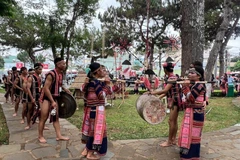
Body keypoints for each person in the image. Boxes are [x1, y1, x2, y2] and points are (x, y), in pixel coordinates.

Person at [81, 62, 112, 160]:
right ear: (97, 72)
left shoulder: (92, 82)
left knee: (91, 130)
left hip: (92, 110)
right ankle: (90, 153)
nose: (104, 71)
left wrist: (107, 84)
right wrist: (107, 85)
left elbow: (83, 90)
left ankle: (86, 150)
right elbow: (102, 95)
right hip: (96, 110)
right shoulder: (95, 83)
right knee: (95, 132)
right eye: (102, 69)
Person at [148, 61, 183, 147]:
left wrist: (153, 93)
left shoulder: (171, 78)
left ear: (165, 70)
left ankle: (169, 141)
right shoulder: (173, 77)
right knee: (174, 121)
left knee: (171, 121)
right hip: (175, 101)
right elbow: (167, 92)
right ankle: (173, 139)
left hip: (174, 102)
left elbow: (165, 90)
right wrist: (158, 97)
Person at [38, 57, 71, 143]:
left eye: (65, 63)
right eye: (63, 64)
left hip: (54, 98)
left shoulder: (60, 74)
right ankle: (40, 136)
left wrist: (65, 89)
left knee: (55, 118)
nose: (65, 65)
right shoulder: (51, 74)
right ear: (58, 64)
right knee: (43, 117)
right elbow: (46, 88)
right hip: (46, 98)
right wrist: (52, 101)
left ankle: (59, 135)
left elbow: (58, 84)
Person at [178, 66, 206, 159]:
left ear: (198, 76)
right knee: (187, 133)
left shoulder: (199, 85)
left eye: (192, 73)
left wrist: (185, 87)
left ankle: (192, 156)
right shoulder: (193, 85)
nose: (189, 74)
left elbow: (191, 98)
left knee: (194, 135)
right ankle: (185, 154)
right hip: (191, 112)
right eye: (189, 73)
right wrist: (185, 86)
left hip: (196, 114)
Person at [25, 63, 43, 130]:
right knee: (30, 110)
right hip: (31, 96)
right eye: (39, 69)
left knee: (40, 110)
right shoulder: (31, 78)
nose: (41, 70)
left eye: (41, 69)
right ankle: (28, 124)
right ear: (35, 69)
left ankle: (42, 124)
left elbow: (40, 87)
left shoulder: (40, 77)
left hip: (38, 96)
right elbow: (28, 88)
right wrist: (32, 98)